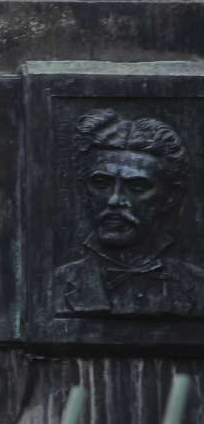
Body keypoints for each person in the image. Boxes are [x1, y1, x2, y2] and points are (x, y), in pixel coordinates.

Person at [53, 109, 204, 317]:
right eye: (101, 183)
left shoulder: (197, 286)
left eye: (137, 187)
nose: (114, 200)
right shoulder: (53, 286)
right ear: (84, 190)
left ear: (171, 197)